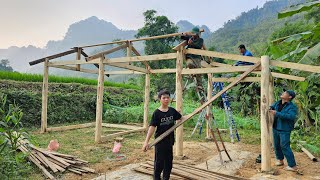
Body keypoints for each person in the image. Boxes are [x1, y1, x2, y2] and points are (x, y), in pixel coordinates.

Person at [142, 89, 182, 180]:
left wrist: (192, 113)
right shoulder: (157, 113)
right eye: (164, 98)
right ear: (160, 99)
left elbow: (180, 118)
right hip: (160, 141)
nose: (166, 100)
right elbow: (152, 127)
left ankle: (166, 178)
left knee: (168, 162)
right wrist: (146, 142)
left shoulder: (172, 111)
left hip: (170, 140)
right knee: (159, 162)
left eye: (168, 97)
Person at [269, 90, 298, 171]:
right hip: (276, 127)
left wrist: (277, 113)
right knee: (277, 145)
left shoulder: (292, 107)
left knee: (284, 146)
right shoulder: (278, 103)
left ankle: (292, 165)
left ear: (289, 97)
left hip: (285, 129)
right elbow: (272, 106)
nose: (283, 93)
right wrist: (270, 108)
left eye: (285, 93)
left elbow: (291, 116)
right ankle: (280, 160)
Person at [181, 27, 207, 93]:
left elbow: (198, 46)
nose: (193, 35)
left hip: (197, 57)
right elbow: (182, 37)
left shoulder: (201, 40)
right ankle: (192, 73)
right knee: (189, 64)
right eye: (192, 34)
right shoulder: (190, 37)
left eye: (194, 34)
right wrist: (184, 34)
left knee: (198, 70)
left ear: (198, 34)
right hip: (189, 56)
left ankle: (200, 85)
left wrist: (191, 43)